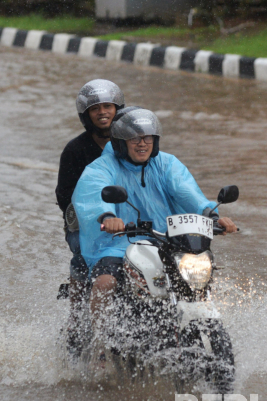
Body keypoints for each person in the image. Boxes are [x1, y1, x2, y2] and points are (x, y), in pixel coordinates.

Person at [72, 107, 237, 335]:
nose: (142, 143)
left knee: (197, 276)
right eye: (134, 138)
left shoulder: (167, 164)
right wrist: (108, 217)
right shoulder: (102, 168)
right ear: (120, 142)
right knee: (105, 283)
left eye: (147, 137)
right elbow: (93, 194)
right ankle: (100, 345)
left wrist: (211, 214)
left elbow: (187, 192)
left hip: (166, 241)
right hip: (117, 243)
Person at [56, 79, 124, 355]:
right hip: (85, 223)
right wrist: (92, 220)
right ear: (86, 115)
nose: (102, 112)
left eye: (108, 106)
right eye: (95, 108)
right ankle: (77, 319)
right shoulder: (75, 150)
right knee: (83, 251)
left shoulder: (131, 145)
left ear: (118, 109)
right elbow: (66, 197)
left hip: (130, 221)